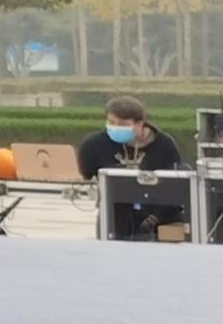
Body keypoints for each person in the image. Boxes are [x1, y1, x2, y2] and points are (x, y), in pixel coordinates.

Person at [78, 96, 189, 241]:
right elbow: (88, 175)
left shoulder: (164, 143)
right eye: (111, 122)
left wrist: (154, 218)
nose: (116, 127)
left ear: (140, 123)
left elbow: (174, 185)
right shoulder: (94, 144)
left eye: (123, 124)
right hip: (115, 214)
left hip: (159, 215)